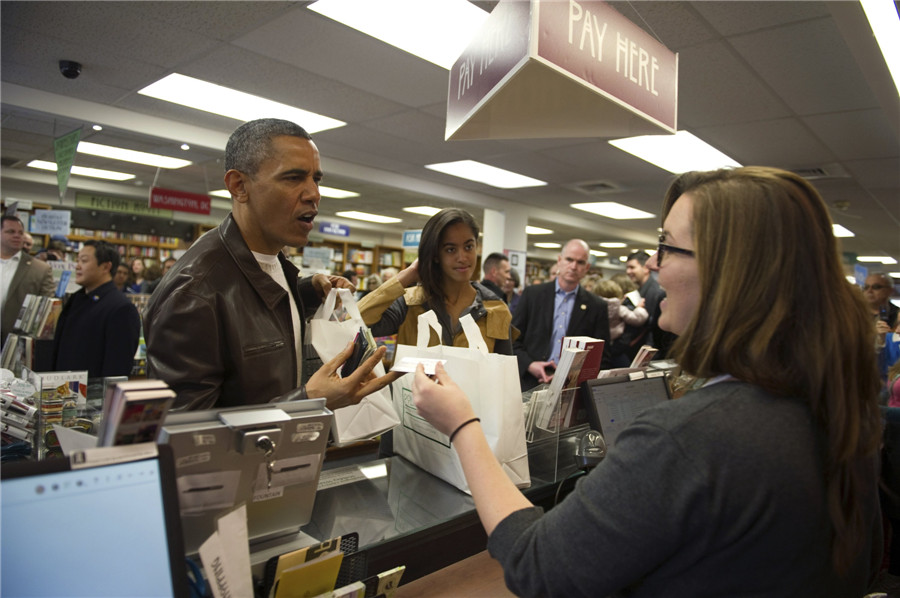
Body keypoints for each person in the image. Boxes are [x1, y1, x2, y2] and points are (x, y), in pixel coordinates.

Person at [411, 166, 883, 596]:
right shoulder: (837, 407)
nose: (653, 265)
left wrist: (462, 425)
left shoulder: (686, 438)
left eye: (667, 246)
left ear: (727, 272)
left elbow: (539, 567)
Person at [144, 118, 398, 411]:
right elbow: (185, 439)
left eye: (316, 179)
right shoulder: (192, 294)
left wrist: (303, 291)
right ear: (239, 186)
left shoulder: (274, 259)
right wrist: (307, 402)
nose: (314, 194)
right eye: (293, 178)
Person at [357, 208, 514, 354]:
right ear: (435, 254)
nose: (462, 258)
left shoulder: (495, 309)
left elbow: (505, 374)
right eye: (450, 249)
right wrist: (408, 274)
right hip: (411, 385)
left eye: (468, 247)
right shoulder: (411, 303)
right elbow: (355, 323)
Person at [512, 239, 611, 390]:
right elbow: (512, 340)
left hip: (572, 387)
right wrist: (530, 365)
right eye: (569, 259)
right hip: (530, 381)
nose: (573, 266)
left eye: (580, 262)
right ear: (559, 261)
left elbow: (602, 355)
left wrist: (578, 375)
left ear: (587, 268)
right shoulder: (532, 295)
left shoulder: (596, 305)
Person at [52, 241, 141, 378]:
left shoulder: (121, 308)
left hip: (92, 395)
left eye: (84, 261)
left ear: (105, 267)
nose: (78, 266)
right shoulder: (77, 299)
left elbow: (116, 370)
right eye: (78, 261)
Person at [1, 216, 56, 338]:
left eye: (20, 232)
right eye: (11, 231)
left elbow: (46, 312)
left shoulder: (40, 269)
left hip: (15, 342)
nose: (17, 235)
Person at [594, 278, 648, 368]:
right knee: (626, 371)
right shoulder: (619, 308)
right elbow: (638, 319)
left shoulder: (594, 307)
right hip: (616, 347)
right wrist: (639, 308)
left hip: (597, 347)